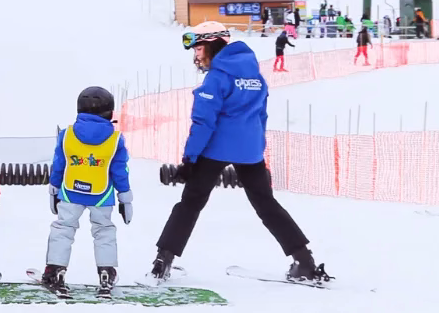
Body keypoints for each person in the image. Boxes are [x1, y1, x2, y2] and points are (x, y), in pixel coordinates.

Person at [151, 23, 324, 283]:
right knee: (267, 205)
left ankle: (163, 261)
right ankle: (304, 261)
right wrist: (256, 148)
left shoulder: (217, 77)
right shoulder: (255, 75)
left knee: (190, 203)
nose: (196, 55)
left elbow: (203, 122)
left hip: (215, 150)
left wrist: (190, 159)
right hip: (251, 151)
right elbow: (261, 116)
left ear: (212, 44)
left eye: (198, 48)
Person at [40, 87, 133, 297]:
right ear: (110, 112)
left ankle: (55, 272)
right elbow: (120, 170)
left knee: (63, 229)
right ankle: (106, 273)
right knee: (104, 232)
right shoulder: (115, 139)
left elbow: (59, 164)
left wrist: (54, 189)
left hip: (71, 192)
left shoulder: (67, 135)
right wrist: (125, 197)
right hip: (102, 195)